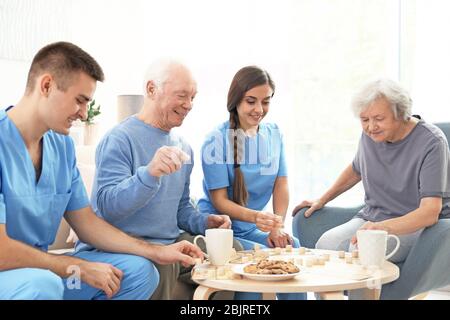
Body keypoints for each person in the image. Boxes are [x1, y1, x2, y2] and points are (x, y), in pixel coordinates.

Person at [0, 42, 203, 300]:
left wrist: (155, 251)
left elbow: (86, 222)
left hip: (48, 273)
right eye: (80, 100)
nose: (85, 114)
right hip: (13, 275)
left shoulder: (61, 146)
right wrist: (78, 267)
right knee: (43, 285)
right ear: (47, 85)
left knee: (140, 273)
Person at [75, 59, 241, 300]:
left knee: (232, 253)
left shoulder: (183, 147)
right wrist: (149, 174)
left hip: (169, 240)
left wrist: (205, 222)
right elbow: (107, 209)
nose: (189, 105)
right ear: (151, 89)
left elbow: (181, 209)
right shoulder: (119, 139)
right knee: (162, 265)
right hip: (126, 245)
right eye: (182, 96)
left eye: (193, 97)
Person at [293, 79, 450, 264]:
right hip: (373, 217)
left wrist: (382, 227)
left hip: (418, 226)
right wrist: (322, 199)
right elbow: (356, 169)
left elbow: (429, 212)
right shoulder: (371, 135)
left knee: (364, 250)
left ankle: (368, 293)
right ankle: (335, 293)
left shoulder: (432, 142)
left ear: (400, 114)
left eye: (379, 119)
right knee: (327, 245)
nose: (370, 127)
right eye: (364, 119)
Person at [198, 66, 305, 300]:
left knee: (291, 247)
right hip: (221, 230)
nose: (259, 110)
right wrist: (257, 218)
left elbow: (281, 184)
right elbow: (219, 201)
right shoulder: (215, 141)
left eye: (265, 102)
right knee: (260, 259)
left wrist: (277, 225)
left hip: (252, 227)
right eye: (251, 101)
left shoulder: (273, 134)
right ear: (236, 100)